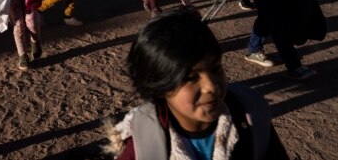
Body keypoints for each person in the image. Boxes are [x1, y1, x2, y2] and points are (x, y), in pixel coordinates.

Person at [106, 12, 289, 160]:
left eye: (215, 68)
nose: (210, 86)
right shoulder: (142, 142)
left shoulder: (250, 115)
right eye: (191, 77)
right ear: (159, 86)